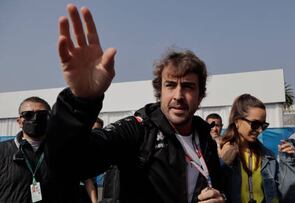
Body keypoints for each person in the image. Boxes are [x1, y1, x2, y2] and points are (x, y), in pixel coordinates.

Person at [46, 3, 225, 203]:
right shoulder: (138, 130)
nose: (178, 95)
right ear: (160, 91)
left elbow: (217, 185)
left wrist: (219, 197)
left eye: (188, 87)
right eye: (170, 85)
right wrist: (80, 101)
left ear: (201, 95)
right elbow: (67, 164)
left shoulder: (205, 137)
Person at [219, 94, 295, 203]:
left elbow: (286, 195)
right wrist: (223, 163)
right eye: (255, 124)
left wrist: (288, 162)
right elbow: (214, 190)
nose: (260, 130)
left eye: (263, 125)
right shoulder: (219, 151)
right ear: (237, 121)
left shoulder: (268, 156)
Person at [0, 97, 75, 202]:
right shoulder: (2, 150)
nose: (35, 118)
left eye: (42, 114)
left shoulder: (63, 152)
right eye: (28, 115)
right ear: (19, 121)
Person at [80, 117, 104, 203]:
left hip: (93, 188)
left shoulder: (103, 148)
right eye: (92, 129)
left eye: (98, 130)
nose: (94, 133)